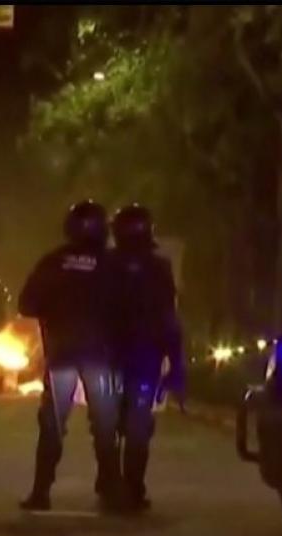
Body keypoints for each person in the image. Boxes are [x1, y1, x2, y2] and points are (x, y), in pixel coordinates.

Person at [18, 200, 123, 512]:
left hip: (61, 353)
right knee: (104, 424)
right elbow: (128, 307)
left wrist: (55, 311)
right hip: (100, 355)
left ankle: (41, 491)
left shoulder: (54, 261)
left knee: (52, 423)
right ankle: (110, 488)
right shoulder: (112, 263)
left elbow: (26, 304)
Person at [108, 204, 186, 513]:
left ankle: (123, 485)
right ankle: (130, 487)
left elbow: (168, 316)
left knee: (115, 423)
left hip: (125, 358)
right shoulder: (155, 267)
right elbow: (169, 318)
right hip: (139, 358)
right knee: (130, 424)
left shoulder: (111, 265)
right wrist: (176, 363)